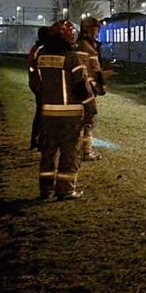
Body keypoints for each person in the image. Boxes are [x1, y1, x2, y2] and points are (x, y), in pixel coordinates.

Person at [32, 20, 93, 201]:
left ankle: (46, 190)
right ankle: (65, 190)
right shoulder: (72, 58)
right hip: (70, 115)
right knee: (69, 153)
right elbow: (81, 86)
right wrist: (91, 107)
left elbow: (35, 83)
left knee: (48, 154)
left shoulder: (41, 56)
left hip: (47, 114)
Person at [75, 16, 106, 161]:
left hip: (88, 88)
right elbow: (84, 71)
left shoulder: (89, 45)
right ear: (87, 29)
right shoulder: (83, 46)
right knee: (87, 122)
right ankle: (85, 152)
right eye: (95, 29)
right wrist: (95, 85)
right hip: (85, 90)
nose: (97, 32)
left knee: (86, 122)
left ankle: (82, 150)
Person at [27, 26, 52, 151]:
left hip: (38, 85)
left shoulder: (36, 48)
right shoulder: (41, 50)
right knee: (42, 113)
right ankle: (39, 140)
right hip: (41, 86)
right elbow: (35, 68)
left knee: (41, 112)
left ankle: (36, 140)